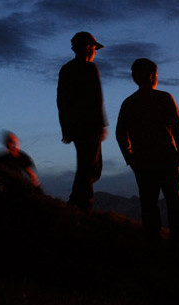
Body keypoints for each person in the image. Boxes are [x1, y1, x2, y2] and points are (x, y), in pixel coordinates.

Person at [116, 58, 179, 248]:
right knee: (174, 201)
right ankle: (178, 243)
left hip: (142, 162)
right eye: (156, 75)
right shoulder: (164, 98)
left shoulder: (128, 103)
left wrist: (130, 158)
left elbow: (120, 134)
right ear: (151, 76)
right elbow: (178, 129)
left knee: (149, 204)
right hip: (166, 158)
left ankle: (153, 242)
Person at [56, 31, 108, 210]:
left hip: (75, 126)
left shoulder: (66, 69)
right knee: (91, 166)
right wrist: (101, 124)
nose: (95, 52)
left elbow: (61, 102)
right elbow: (96, 98)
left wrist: (65, 128)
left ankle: (78, 200)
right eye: (94, 48)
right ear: (88, 48)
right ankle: (81, 203)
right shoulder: (89, 68)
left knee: (86, 164)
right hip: (90, 126)